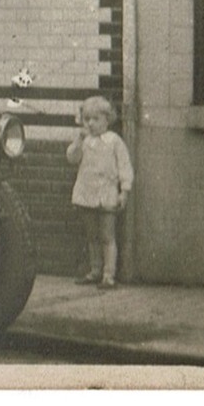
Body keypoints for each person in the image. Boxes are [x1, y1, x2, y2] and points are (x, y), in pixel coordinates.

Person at [66, 94, 133, 289]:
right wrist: (78, 140)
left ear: (107, 119)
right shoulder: (85, 142)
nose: (91, 124)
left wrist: (124, 191)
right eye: (87, 119)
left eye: (96, 119)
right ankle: (95, 270)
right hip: (87, 194)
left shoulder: (114, 141)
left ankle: (108, 274)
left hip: (107, 195)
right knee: (92, 236)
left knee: (107, 236)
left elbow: (124, 166)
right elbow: (72, 158)